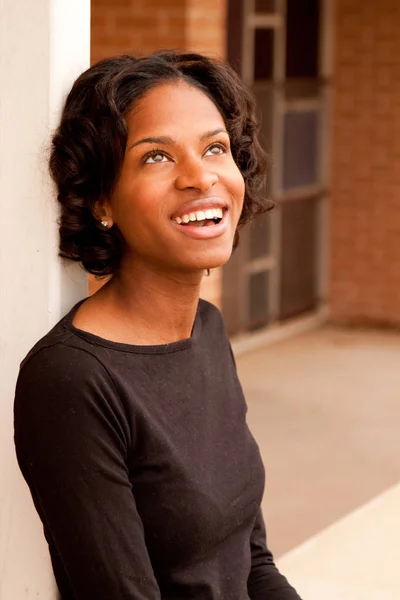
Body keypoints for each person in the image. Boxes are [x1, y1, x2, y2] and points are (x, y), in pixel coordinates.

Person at [14, 51, 301, 600]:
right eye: (156, 158)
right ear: (103, 200)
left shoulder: (207, 331)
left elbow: (251, 560)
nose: (200, 177)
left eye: (215, 148)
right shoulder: (72, 380)